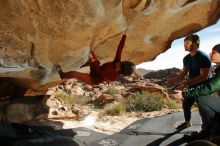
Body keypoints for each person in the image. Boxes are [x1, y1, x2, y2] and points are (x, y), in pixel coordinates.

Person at [172, 44, 220, 144]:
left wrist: (183, 94)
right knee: (197, 99)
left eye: (214, 52)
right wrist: (185, 83)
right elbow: (211, 82)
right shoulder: (187, 58)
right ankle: (209, 130)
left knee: (203, 98)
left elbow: (207, 86)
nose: (210, 54)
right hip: (195, 86)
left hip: (199, 87)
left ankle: (210, 131)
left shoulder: (203, 57)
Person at [166, 34, 211, 129]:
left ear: (195, 44)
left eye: (187, 42)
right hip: (192, 84)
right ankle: (187, 123)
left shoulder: (204, 57)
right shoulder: (186, 58)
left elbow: (204, 77)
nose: (184, 45)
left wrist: (187, 83)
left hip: (204, 86)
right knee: (186, 104)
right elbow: (184, 73)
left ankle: (207, 128)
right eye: (184, 43)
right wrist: (174, 80)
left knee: (203, 108)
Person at [56, 34, 135, 85]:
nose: (118, 63)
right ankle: (86, 61)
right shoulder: (117, 61)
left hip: (93, 79)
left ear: (120, 70)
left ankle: (62, 75)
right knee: (91, 52)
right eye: (121, 62)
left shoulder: (113, 77)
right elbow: (119, 49)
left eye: (120, 65)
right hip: (97, 68)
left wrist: (94, 61)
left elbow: (100, 71)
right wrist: (124, 35)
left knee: (73, 74)